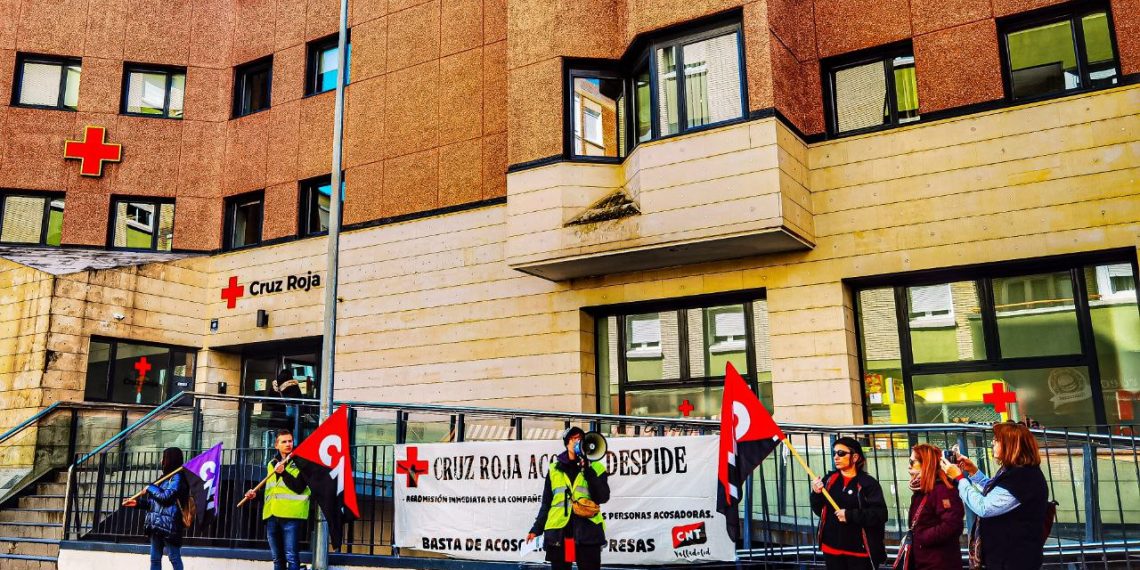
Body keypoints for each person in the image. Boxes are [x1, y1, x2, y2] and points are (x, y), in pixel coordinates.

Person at [942, 422, 1048, 570]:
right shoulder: (1016, 471)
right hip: (1008, 556)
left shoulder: (1022, 477)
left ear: (1011, 445)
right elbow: (995, 493)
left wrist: (959, 478)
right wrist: (973, 471)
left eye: (997, 440)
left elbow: (984, 507)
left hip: (1014, 560)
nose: (992, 443)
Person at [526, 427, 610, 570]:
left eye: (580, 438)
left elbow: (602, 497)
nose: (577, 441)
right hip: (562, 534)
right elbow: (546, 503)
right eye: (573, 438)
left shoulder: (596, 467)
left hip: (586, 532)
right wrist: (536, 529)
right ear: (566, 443)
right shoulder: (554, 469)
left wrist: (588, 470)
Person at [810, 437, 888, 570]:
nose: (836, 457)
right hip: (831, 549)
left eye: (841, 453)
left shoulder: (868, 483)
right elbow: (820, 511)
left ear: (855, 457)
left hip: (860, 552)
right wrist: (816, 493)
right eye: (834, 453)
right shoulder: (829, 480)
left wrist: (850, 515)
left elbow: (880, 514)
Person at [244, 429, 311, 570]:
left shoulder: (302, 461)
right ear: (276, 445)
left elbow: (299, 487)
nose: (288, 444)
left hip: (291, 515)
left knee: (291, 557)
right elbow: (272, 490)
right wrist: (256, 495)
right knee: (277, 559)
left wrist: (283, 473)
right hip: (272, 515)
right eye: (284, 441)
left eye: (290, 441)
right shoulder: (272, 463)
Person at [123, 447, 189, 570]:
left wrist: (150, 488)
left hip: (169, 526)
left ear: (170, 459)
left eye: (164, 458)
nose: (161, 461)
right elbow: (155, 504)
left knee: (174, 558)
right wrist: (137, 503)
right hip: (156, 525)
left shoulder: (178, 478)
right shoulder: (164, 478)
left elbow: (166, 497)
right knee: (155, 559)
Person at [900, 444, 964, 570]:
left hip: (939, 563)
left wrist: (921, 537)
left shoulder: (941, 490)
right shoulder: (922, 490)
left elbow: (953, 525)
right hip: (923, 560)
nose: (909, 466)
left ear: (926, 464)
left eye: (912, 462)